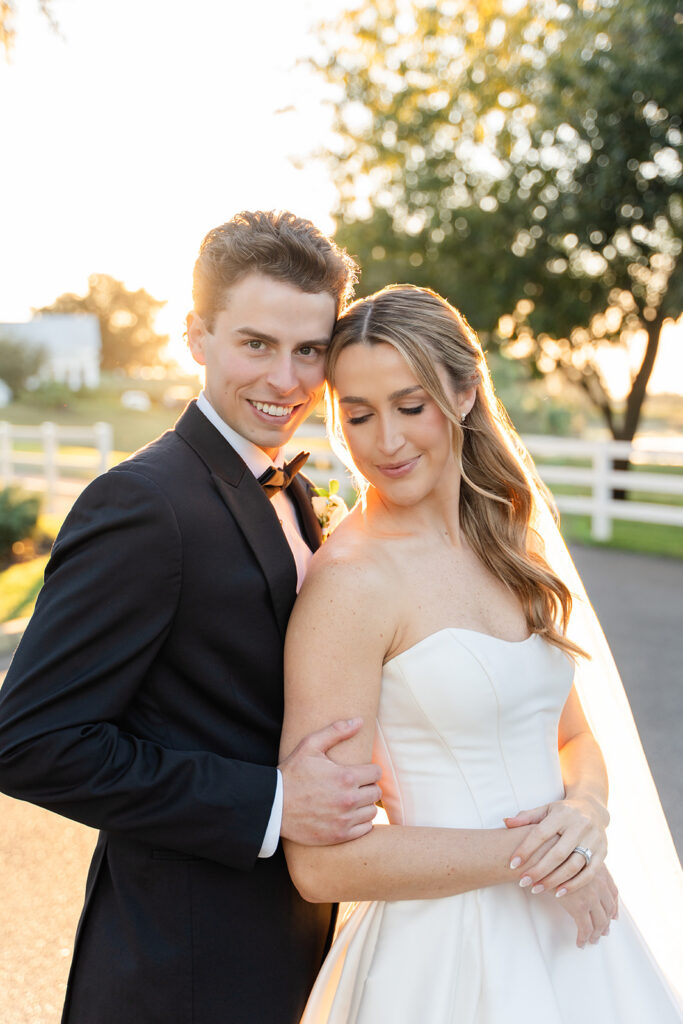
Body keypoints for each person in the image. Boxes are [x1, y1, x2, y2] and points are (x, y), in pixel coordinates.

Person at [0, 210, 385, 1024]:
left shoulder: (297, 492)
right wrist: (274, 805)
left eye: (308, 350)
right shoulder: (144, 503)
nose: (285, 379)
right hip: (180, 969)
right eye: (255, 344)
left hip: (294, 948)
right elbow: (32, 743)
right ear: (196, 337)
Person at [280, 284, 683, 1023]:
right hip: (443, 957)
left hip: (579, 932)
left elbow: (571, 736)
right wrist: (539, 857)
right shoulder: (350, 587)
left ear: (464, 392)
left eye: (411, 405)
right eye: (358, 415)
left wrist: (586, 812)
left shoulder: (509, 539)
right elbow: (321, 863)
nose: (386, 443)